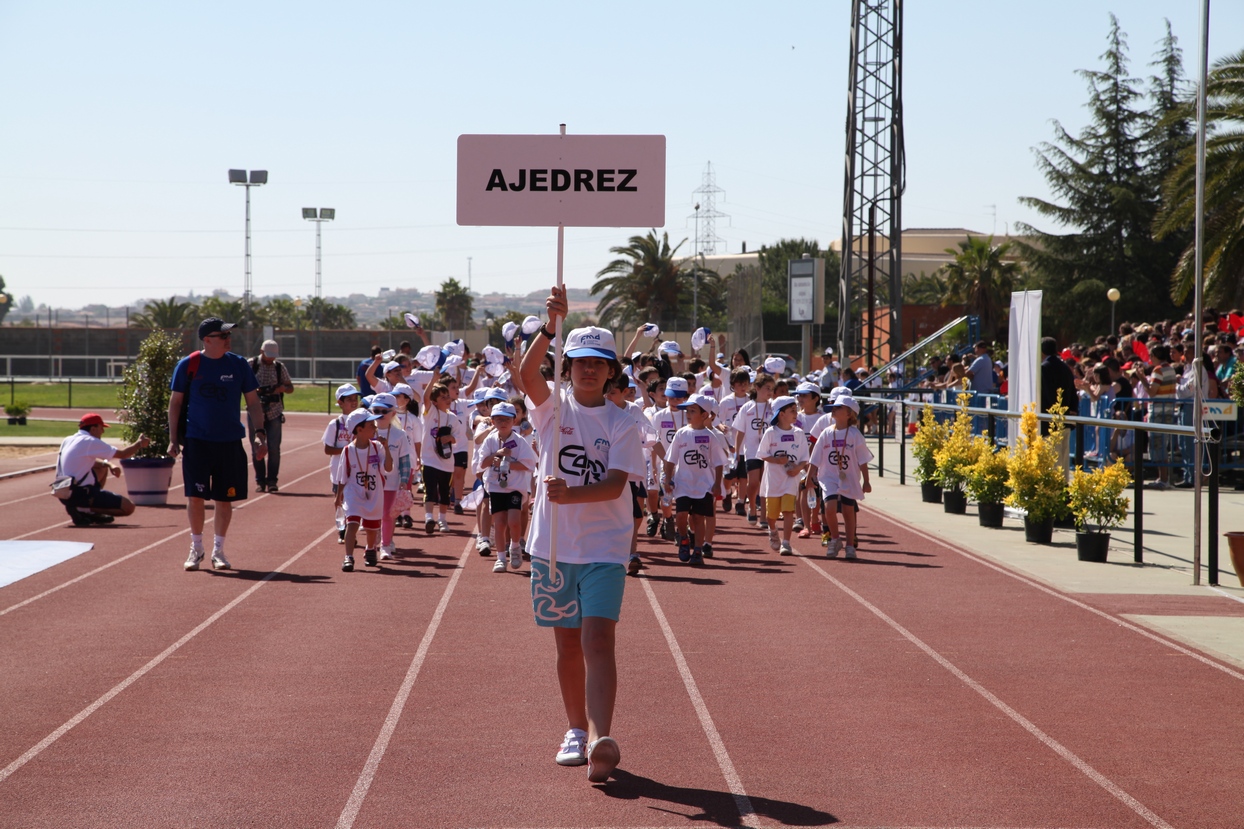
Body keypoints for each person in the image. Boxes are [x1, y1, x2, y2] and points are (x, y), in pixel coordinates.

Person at [519, 286, 645, 784]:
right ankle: (573, 730)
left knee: (598, 638)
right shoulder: (552, 410)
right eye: (579, 361)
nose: (588, 370)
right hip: (552, 546)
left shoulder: (623, 420)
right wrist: (550, 325)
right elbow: (526, 375)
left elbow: (616, 484)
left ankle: (599, 739)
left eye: (598, 363)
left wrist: (571, 494)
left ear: (611, 369)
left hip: (604, 549)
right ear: (566, 366)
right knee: (566, 645)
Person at [168, 318, 268, 572]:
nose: (228, 338)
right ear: (207, 339)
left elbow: (254, 403)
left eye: (228, 334)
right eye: (222, 335)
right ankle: (197, 546)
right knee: (196, 496)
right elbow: (175, 404)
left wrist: (259, 434)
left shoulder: (238, 365)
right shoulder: (188, 365)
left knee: (225, 499)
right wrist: (172, 440)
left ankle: (219, 550)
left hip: (229, 442)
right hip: (197, 441)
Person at [663, 393, 726, 566]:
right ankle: (683, 538)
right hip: (683, 483)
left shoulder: (710, 436)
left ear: (704, 415)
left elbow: (719, 463)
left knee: (699, 518)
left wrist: (717, 484)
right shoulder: (681, 434)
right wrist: (668, 479)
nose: (688, 414)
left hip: (703, 485)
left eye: (692, 410)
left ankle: (698, 550)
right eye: (687, 411)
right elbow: (670, 460)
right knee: (681, 515)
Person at [55, 413, 150, 527]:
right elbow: (123, 454)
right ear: (93, 429)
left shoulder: (68, 439)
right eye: (101, 428)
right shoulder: (90, 441)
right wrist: (139, 444)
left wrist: (108, 464)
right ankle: (84, 509)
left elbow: (83, 461)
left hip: (63, 491)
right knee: (129, 507)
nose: (103, 432)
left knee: (102, 467)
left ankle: (84, 509)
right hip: (80, 493)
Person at [475, 401, 537, 573]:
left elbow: (529, 465)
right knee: (500, 523)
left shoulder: (520, 441)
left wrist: (508, 462)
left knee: (514, 521)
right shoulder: (490, 441)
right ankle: (501, 558)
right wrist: (496, 456)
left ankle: (515, 546)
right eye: (499, 420)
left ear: (514, 420)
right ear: (493, 421)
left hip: (515, 487)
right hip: (496, 486)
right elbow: (482, 463)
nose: (503, 423)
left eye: (507, 420)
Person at [810, 395, 872, 559]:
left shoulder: (855, 434)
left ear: (849, 414)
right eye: (834, 407)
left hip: (849, 476)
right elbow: (815, 457)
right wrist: (810, 476)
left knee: (848, 510)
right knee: (829, 507)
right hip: (828, 476)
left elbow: (863, 459)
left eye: (839, 407)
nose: (834, 409)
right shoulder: (826, 433)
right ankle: (835, 539)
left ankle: (850, 545)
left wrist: (866, 480)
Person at [333, 408, 392, 571]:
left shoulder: (377, 447)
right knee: (351, 524)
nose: (375, 427)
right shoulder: (348, 451)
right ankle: (348, 557)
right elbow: (343, 476)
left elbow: (388, 467)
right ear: (359, 429)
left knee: (372, 528)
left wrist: (386, 448)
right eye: (371, 424)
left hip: (374, 493)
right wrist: (338, 497)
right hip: (354, 493)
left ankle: (370, 548)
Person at [756, 396, 809, 556]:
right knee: (771, 516)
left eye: (796, 410)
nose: (796, 413)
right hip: (773, 480)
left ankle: (786, 543)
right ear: (781, 414)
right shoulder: (771, 433)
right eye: (792, 411)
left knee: (788, 511)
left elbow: (804, 459)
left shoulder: (799, 433)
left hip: (790, 480)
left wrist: (797, 469)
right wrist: (777, 460)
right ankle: (773, 530)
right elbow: (762, 454)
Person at [248, 339, 294, 493]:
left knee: (274, 448)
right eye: (268, 356)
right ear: (261, 352)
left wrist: (281, 388)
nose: (271, 359)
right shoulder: (251, 365)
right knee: (257, 447)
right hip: (255, 412)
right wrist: (257, 392)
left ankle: (272, 481)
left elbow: (290, 387)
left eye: (273, 356)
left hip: (274, 411)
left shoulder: (279, 367)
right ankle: (259, 481)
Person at [323, 383, 361, 543]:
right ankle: (342, 529)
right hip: (339, 470)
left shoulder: (361, 420)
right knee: (340, 500)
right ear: (340, 402)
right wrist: (348, 449)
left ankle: (351, 530)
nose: (354, 402)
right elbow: (328, 449)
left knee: (354, 501)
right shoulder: (335, 424)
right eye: (349, 399)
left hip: (358, 469)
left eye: (355, 399)